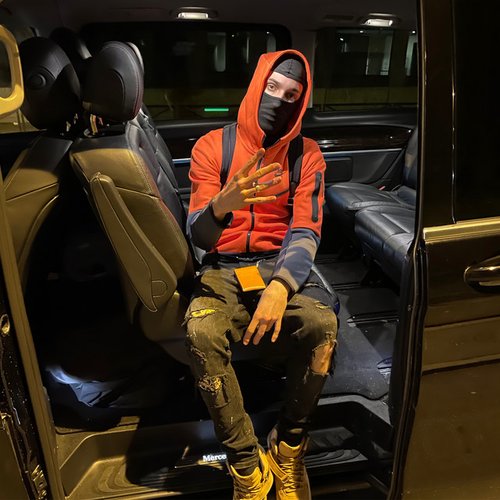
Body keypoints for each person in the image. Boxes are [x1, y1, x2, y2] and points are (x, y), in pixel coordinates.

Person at [185, 49, 338, 500]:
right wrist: (222, 206)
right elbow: (198, 236)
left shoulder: (307, 155)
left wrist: (280, 286)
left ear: (301, 102)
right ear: (257, 86)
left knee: (322, 326)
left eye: (291, 95)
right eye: (272, 88)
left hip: (278, 262)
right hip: (223, 266)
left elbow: (306, 229)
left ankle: (288, 446)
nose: (279, 101)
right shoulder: (212, 146)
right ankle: (247, 467)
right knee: (201, 331)